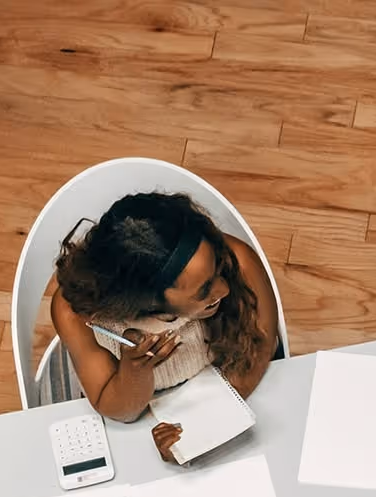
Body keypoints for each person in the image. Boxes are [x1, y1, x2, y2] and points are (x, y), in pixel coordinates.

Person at [52, 192, 281, 460]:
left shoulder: (239, 260)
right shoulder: (75, 314)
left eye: (218, 268)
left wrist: (203, 430)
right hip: (140, 414)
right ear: (147, 302)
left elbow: (259, 347)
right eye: (204, 290)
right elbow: (121, 411)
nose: (225, 288)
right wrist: (135, 371)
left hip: (229, 388)